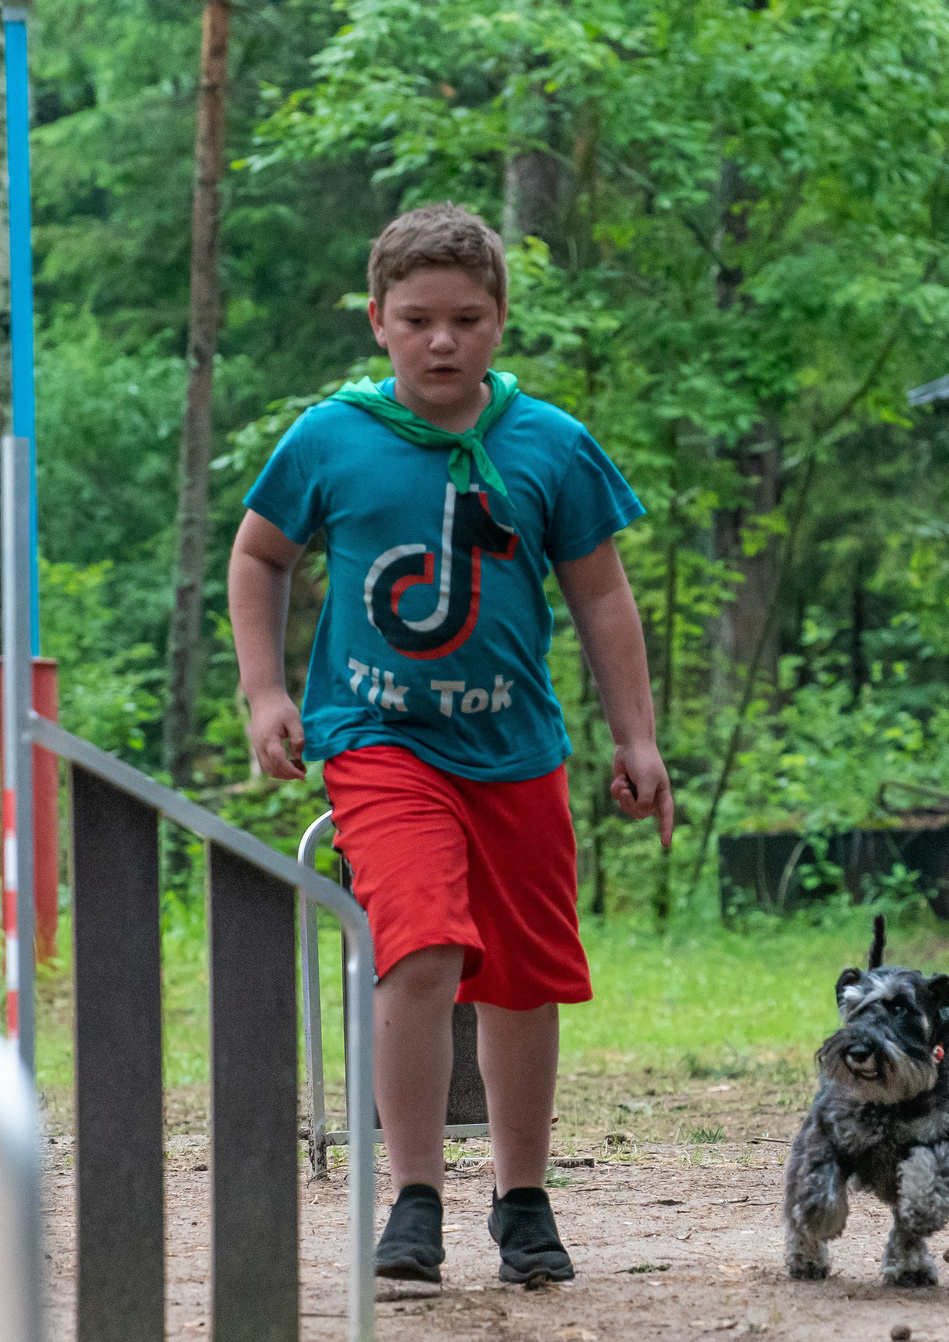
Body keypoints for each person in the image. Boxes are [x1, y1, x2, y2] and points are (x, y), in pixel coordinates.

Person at [227, 201, 671, 1285]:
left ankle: (521, 1198)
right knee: (420, 944)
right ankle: (413, 1197)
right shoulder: (331, 436)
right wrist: (265, 691)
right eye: (417, 318)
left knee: (521, 979)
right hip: (379, 739)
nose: (441, 341)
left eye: (466, 319)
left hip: (515, 750)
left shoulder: (550, 445)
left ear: (500, 320)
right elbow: (258, 556)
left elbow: (603, 595)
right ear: (377, 319)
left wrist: (637, 736)